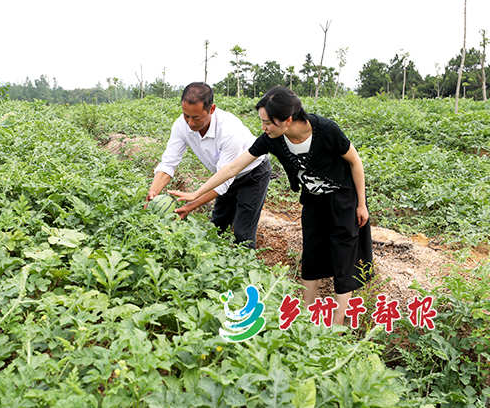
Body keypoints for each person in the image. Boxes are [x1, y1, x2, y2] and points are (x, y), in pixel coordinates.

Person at [169, 86, 373, 325]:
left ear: (287, 120)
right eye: (262, 122)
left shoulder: (326, 131)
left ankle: (337, 326)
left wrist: (361, 203)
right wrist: (196, 192)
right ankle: (305, 317)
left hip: (343, 198)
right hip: (313, 199)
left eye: (268, 123)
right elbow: (233, 167)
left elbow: (355, 161)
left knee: (342, 255)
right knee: (312, 253)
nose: (264, 128)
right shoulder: (273, 139)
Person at [146, 82, 271, 249]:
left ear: (211, 109)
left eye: (196, 117)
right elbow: (169, 162)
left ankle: (247, 269)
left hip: (252, 174)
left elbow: (225, 179)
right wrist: (153, 191)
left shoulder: (229, 129)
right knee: (216, 228)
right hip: (222, 175)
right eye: (186, 116)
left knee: (243, 234)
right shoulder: (181, 126)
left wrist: (191, 205)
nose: (190, 123)